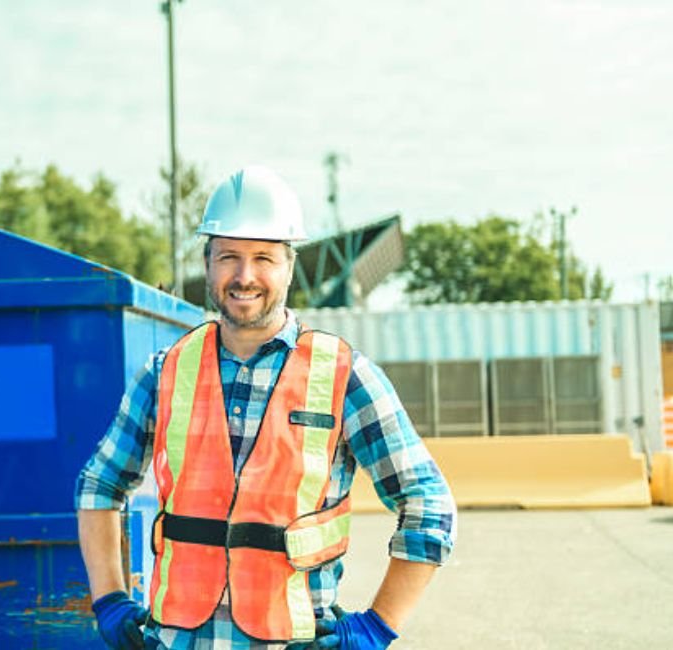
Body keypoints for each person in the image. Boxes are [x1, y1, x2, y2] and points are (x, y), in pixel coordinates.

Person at [75, 165, 456, 649]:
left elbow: (428, 503)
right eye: (228, 256)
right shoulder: (165, 372)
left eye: (263, 258)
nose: (244, 276)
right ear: (208, 263)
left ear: (289, 266)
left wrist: (376, 627)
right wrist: (109, 599)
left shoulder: (343, 377)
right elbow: (99, 484)